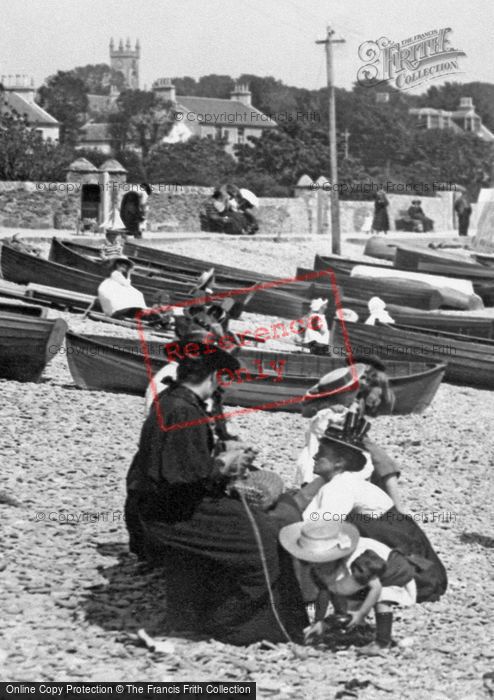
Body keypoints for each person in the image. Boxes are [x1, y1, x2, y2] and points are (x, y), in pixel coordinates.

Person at [124, 338, 310, 646]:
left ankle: (197, 613)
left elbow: (181, 461)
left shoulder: (172, 401)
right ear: (212, 377)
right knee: (260, 539)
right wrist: (224, 465)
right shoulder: (185, 411)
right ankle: (233, 622)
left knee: (251, 524)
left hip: (161, 505)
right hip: (176, 511)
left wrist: (222, 452)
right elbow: (185, 476)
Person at [303, 429, 448, 608]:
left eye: (322, 454)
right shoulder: (341, 481)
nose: (315, 457)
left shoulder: (340, 487)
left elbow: (325, 525)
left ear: (339, 462)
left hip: (396, 547)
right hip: (398, 538)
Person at [279, 521, 420, 655]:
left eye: (320, 562)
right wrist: (318, 621)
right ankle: (352, 625)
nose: (317, 566)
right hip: (359, 578)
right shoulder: (317, 569)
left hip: (388, 569)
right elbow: (324, 592)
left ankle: (382, 642)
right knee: (337, 588)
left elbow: (375, 588)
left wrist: (362, 613)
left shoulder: (356, 561)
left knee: (382, 598)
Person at [297, 365, 403, 510]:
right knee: (382, 462)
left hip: (331, 446)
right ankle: (398, 509)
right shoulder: (335, 412)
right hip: (337, 444)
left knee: (380, 462)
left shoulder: (341, 406)